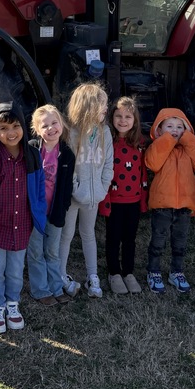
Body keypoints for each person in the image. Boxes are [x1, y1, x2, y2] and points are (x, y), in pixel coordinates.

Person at [0, 103, 47, 334]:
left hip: (22, 225)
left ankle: (12, 303)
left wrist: (39, 213)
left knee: (16, 270)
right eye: (4, 128)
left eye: (15, 126)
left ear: (23, 127)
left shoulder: (32, 155)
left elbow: (38, 189)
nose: (11, 132)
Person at [58, 83, 114, 299]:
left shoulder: (105, 132)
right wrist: (77, 190)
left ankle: (93, 276)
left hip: (94, 196)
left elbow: (108, 165)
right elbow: (69, 166)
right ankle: (61, 274)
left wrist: (102, 189)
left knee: (88, 234)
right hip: (74, 197)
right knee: (67, 235)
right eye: (102, 105)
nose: (105, 109)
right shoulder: (70, 133)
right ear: (88, 107)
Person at [144, 106, 195, 295]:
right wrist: (167, 141)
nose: (175, 130)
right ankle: (153, 271)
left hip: (185, 206)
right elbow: (152, 162)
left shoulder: (188, 149)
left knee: (180, 242)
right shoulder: (158, 147)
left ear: (186, 130)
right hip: (162, 205)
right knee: (158, 240)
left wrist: (187, 138)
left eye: (180, 127)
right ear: (159, 130)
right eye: (169, 126)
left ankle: (176, 271)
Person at [26, 105, 75, 305]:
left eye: (54, 123)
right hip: (34, 213)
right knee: (36, 252)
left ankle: (56, 287)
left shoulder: (67, 154)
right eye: (44, 125)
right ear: (37, 130)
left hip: (54, 213)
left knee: (52, 252)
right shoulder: (31, 149)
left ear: (61, 124)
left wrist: (63, 207)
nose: (51, 128)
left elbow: (67, 186)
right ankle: (40, 290)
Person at [99, 96, 148, 295]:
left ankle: (128, 272)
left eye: (128, 116)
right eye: (118, 116)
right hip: (114, 200)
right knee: (113, 237)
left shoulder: (139, 143)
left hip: (134, 200)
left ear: (135, 120)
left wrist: (143, 200)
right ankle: (114, 273)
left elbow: (143, 173)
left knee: (130, 238)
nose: (123, 120)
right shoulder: (107, 142)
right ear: (112, 118)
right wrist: (104, 201)